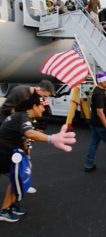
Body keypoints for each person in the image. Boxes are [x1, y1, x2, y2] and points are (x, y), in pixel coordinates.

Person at [0, 91, 76, 222]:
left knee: (19, 177)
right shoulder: (22, 116)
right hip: (3, 152)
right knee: (18, 177)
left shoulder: (23, 116)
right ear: (34, 106)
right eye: (42, 106)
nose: (44, 109)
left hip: (8, 152)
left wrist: (26, 158)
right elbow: (29, 133)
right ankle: (5, 211)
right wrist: (51, 138)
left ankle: (11, 206)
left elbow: (24, 139)